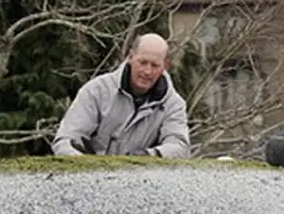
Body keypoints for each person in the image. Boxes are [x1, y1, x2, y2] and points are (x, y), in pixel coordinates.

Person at [51, 33, 191, 159]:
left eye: (155, 65)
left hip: (142, 180)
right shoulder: (96, 91)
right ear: (130, 57)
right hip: (90, 179)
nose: (147, 71)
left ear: (165, 66)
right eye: (142, 62)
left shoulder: (173, 105)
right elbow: (65, 141)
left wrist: (149, 156)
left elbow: (180, 147)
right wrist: (87, 165)